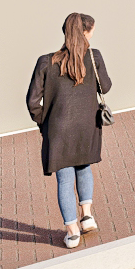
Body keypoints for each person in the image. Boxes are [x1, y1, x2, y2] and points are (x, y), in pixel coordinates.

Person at [26, 13, 111, 249]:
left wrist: (45, 123)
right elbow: (106, 86)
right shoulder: (94, 57)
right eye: (91, 31)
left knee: (64, 179)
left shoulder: (46, 62)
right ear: (85, 33)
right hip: (87, 128)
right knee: (84, 168)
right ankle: (87, 217)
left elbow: (32, 101)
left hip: (58, 132)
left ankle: (72, 232)